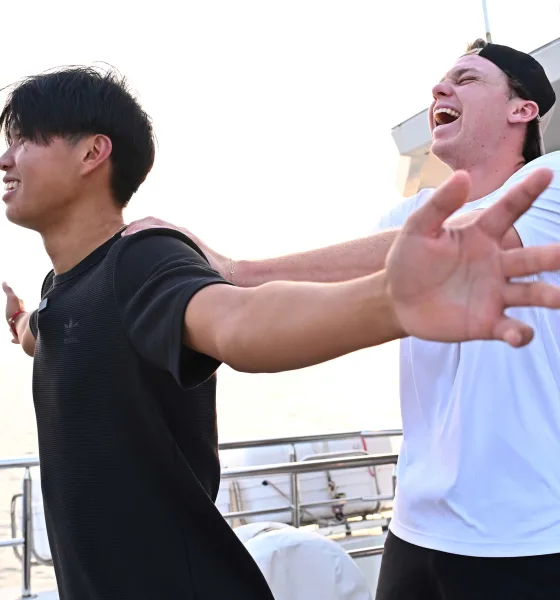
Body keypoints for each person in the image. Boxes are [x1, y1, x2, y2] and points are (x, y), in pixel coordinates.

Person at [125, 40, 560, 599]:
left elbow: (448, 246)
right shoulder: (407, 215)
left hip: (526, 535)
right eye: (442, 80)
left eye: (468, 79)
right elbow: (325, 296)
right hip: (416, 528)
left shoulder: (551, 180)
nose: (440, 89)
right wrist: (188, 282)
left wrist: (236, 270)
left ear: (522, 109)